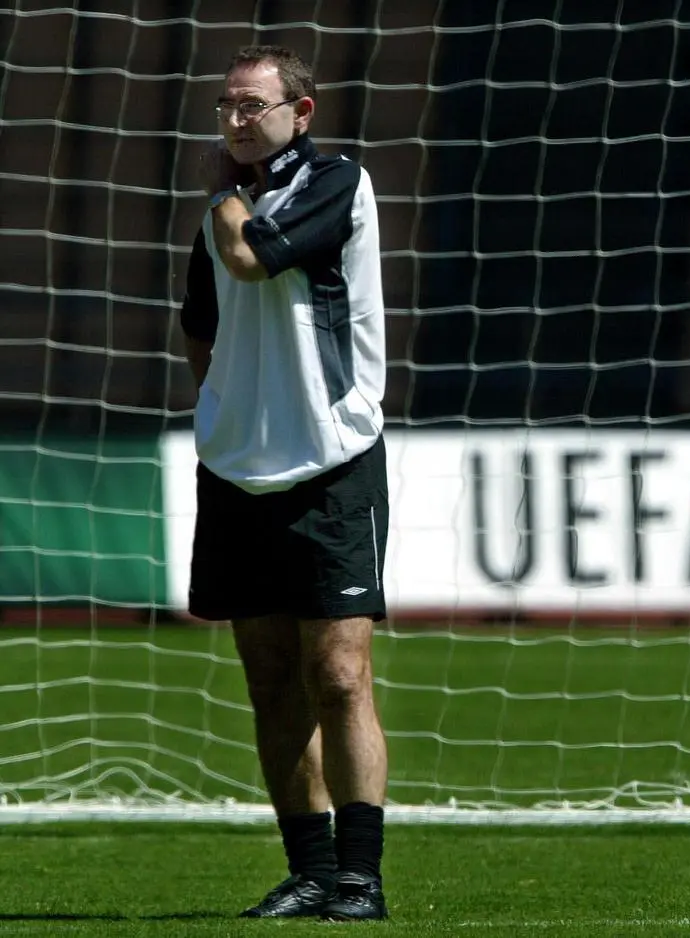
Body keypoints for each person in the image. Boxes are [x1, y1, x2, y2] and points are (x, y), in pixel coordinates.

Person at [179, 44, 389, 922]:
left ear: (300, 113)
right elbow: (199, 325)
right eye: (226, 105)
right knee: (268, 676)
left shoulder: (336, 182)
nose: (234, 118)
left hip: (331, 460)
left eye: (251, 105)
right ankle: (307, 870)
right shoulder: (216, 212)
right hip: (236, 465)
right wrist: (233, 402)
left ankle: (359, 877)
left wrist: (227, 193)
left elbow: (251, 261)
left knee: (338, 672)